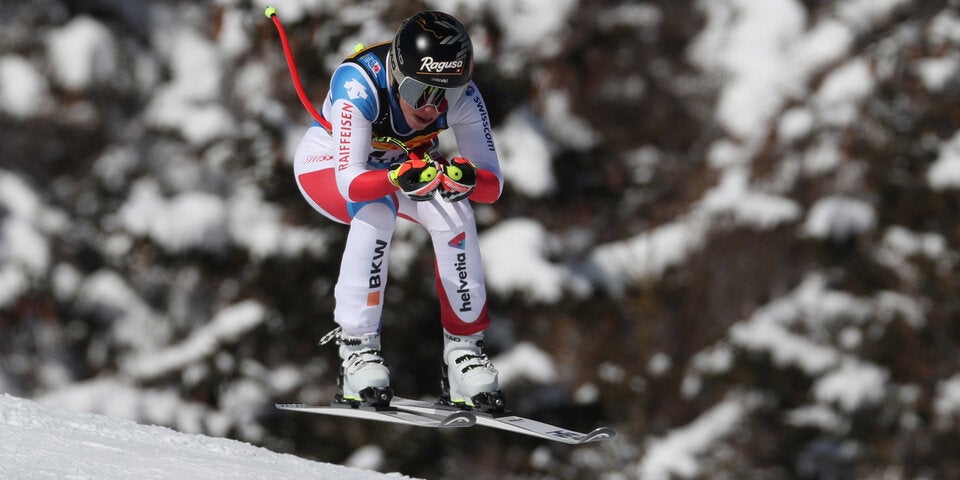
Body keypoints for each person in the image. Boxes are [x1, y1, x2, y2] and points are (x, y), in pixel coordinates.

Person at [293, 11, 505, 411]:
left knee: (453, 210)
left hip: (401, 169)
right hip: (329, 167)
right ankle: (357, 349)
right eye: (419, 92)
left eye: (448, 93)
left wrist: (468, 179)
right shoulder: (358, 84)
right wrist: (395, 177)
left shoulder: (463, 97)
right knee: (377, 209)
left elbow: (493, 186)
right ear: (395, 74)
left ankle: (464, 352)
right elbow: (351, 182)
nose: (433, 107)